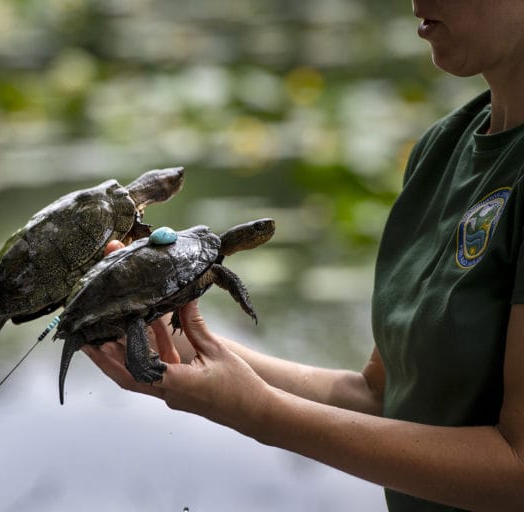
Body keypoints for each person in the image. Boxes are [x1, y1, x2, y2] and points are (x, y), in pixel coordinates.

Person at [83, 2, 524, 511]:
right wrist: (176, 342)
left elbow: (516, 471)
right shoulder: (441, 149)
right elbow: (381, 397)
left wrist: (258, 414)